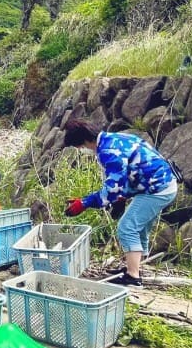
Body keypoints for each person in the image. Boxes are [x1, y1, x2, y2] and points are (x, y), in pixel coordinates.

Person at [62, 119, 178, 287]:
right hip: (160, 184)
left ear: (85, 141)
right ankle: (137, 268)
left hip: (157, 190)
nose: (82, 150)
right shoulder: (114, 138)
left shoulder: (109, 151)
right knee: (139, 229)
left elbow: (112, 189)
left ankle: (133, 276)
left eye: (80, 147)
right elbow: (131, 171)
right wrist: (121, 198)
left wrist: (85, 203)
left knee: (127, 227)